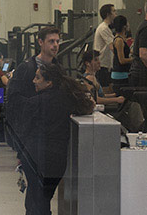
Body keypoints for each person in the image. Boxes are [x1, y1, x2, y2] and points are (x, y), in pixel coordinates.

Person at [14, 63, 94, 215]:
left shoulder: (34, 103)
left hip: (35, 158)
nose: (33, 81)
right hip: (56, 161)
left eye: (38, 78)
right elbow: (88, 106)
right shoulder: (67, 99)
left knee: (35, 201)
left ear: (49, 82)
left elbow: (24, 132)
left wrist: (20, 155)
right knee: (42, 199)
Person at [5, 27, 61, 151]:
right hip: (30, 134)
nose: (55, 45)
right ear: (40, 42)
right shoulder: (26, 68)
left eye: (57, 41)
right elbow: (13, 100)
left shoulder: (58, 69)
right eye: (51, 41)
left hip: (51, 134)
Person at [91, 4, 116, 87]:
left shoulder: (106, 28)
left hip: (105, 65)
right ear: (108, 14)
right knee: (104, 88)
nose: (115, 14)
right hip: (102, 65)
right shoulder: (103, 28)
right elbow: (112, 46)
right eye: (113, 11)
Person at [110, 15, 133, 85]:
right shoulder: (119, 40)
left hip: (123, 73)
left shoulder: (122, 39)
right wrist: (134, 59)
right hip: (120, 74)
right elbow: (121, 60)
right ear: (124, 26)